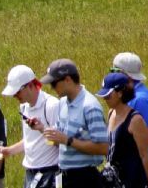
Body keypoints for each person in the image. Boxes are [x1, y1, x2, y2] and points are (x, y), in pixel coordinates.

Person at [39, 59, 108, 188]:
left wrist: (67, 140)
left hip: (85, 177)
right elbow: (59, 139)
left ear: (68, 80)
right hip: (64, 176)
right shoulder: (62, 103)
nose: (52, 88)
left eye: (54, 83)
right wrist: (45, 131)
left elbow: (103, 148)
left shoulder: (90, 106)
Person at [0, 64, 61, 188]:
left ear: (30, 85)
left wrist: (42, 129)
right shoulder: (24, 106)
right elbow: (29, 140)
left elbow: (61, 143)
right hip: (30, 173)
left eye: (17, 92)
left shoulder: (52, 105)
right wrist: (9, 151)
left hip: (49, 173)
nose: (15, 96)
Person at [97, 73, 148, 188]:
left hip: (132, 180)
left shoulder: (135, 120)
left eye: (108, 96)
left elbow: (144, 155)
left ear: (120, 93)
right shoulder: (111, 113)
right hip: (113, 179)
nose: (104, 99)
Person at [110, 53, 148, 181]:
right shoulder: (127, 96)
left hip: (141, 167)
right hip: (128, 165)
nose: (111, 75)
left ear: (126, 75)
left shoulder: (141, 100)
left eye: (114, 70)